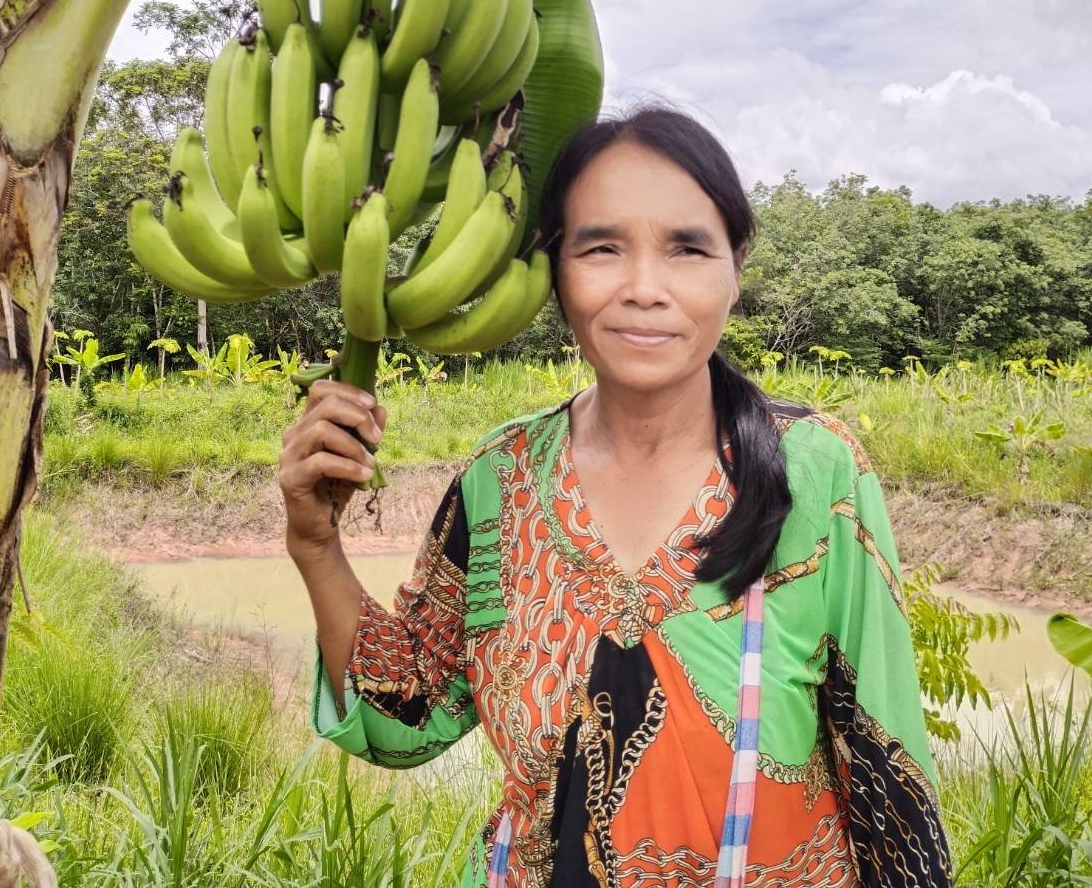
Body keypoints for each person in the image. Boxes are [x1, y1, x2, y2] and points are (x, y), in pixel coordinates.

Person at [281, 106, 951, 887]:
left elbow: (886, 772)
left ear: (735, 267)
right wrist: (316, 545)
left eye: (686, 249)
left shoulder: (815, 470)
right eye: (601, 248)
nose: (643, 290)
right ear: (554, 269)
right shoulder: (499, 479)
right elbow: (408, 717)